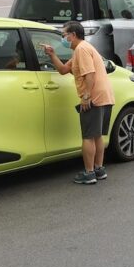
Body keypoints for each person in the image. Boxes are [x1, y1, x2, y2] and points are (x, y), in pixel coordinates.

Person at [40, 21, 116, 185]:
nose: (63, 38)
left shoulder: (81, 50)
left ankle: (89, 173)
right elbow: (63, 70)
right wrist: (52, 54)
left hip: (94, 97)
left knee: (88, 136)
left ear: (73, 35)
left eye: (64, 35)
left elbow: (89, 74)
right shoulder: (82, 50)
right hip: (104, 96)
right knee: (96, 135)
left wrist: (86, 96)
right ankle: (99, 169)